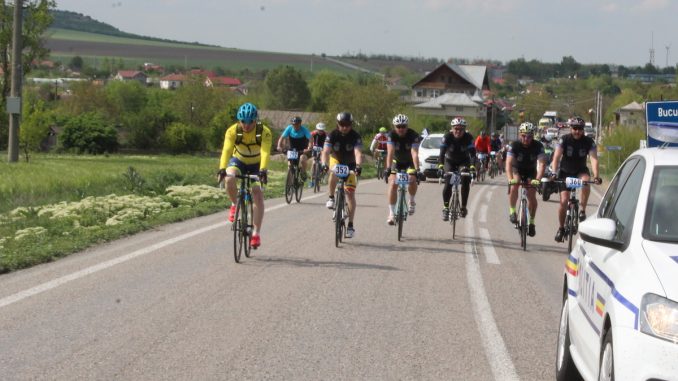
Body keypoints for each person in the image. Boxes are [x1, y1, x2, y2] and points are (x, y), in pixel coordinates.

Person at [218, 102, 272, 249]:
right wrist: (222, 168)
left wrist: (263, 170)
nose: (246, 125)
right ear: (239, 120)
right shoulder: (232, 131)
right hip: (239, 160)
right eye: (243, 121)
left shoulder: (264, 131)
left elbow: (266, 152)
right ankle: (235, 204)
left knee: (257, 194)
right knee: (229, 177)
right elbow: (226, 150)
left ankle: (256, 233)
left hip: (256, 165)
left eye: (250, 122)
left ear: (256, 120)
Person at [551, 117, 602, 242]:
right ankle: (561, 228)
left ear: (583, 130)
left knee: (586, 182)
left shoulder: (589, 141)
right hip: (565, 172)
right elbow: (556, 157)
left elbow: (594, 159)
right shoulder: (564, 139)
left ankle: (582, 210)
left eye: (580, 129)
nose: (577, 131)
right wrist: (553, 172)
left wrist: (596, 176)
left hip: (580, 170)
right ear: (570, 128)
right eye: (575, 128)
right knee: (563, 201)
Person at [321, 112, 363, 238]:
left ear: (351, 125)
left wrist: (358, 167)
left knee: (350, 194)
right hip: (337, 160)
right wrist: (324, 164)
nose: (344, 127)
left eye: (347, 124)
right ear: (337, 124)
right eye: (342, 124)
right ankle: (331, 197)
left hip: (351, 164)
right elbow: (326, 151)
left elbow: (358, 154)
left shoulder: (355, 136)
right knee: (334, 171)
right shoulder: (332, 135)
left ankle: (350, 225)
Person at [506, 122, 547, 237]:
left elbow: (542, 164)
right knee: (515, 184)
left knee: (531, 196)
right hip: (517, 169)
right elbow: (508, 163)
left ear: (533, 136)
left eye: (529, 136)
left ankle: (532, 222)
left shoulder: (538, 146)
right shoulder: (514, 145)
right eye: (524, 135)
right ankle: (512, 211)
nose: (526, 138)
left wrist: (538, 179)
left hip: (531, 171)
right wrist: (510, 179)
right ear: (520, 135)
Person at [384, 114, 422, 225]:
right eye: (398, 126)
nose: (401, 129)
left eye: (403, 126)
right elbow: (390, 152)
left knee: (412, 179)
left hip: (409, 161)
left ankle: (412, 200)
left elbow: (414, 153)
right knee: (392, 184)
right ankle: (391, 213)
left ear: (407, 126)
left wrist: (418, 170)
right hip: (397, 161)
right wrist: (388, 168)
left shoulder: (413, 135)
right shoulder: (391, 135)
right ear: (394, 126)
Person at [437, 117, 475, 220]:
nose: (458, 131)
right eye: (456, 129)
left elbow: (473, 155)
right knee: (448, 183)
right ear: (452, 128)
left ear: (464, 130)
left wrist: (472, 167)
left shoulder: (468, 138)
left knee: (465, 179)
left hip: (463, 161)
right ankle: (445, 208)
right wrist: (440, 166)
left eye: (461, 129)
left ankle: (463, 207)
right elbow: (441, 153)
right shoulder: (447, 137)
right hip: (449, 161)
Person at [277, 116, 312, 181]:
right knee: (290, 164)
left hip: (302, 149)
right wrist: (279, 146)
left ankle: (303, 172)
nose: (295, 126)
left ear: (300, 124)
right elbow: (282, 137)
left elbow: (310, 138)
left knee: (302, 159)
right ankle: (290, 179)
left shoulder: (304, 129)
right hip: (292, 148)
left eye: (297, 125)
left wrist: (309, 147)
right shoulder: (289, 128)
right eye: (293, 125)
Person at [308, 122, 328, 187]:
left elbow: (329, 143)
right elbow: (308, 140)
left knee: (323, 161)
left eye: (322, 130)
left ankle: (324, 173)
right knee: (314, 162)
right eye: (319, 130)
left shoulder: (326, 135)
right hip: (315, 147)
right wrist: (309, 146)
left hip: (323, 148)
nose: (320, 131)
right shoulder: (313, 133)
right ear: (316, 129)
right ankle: (311, 181)